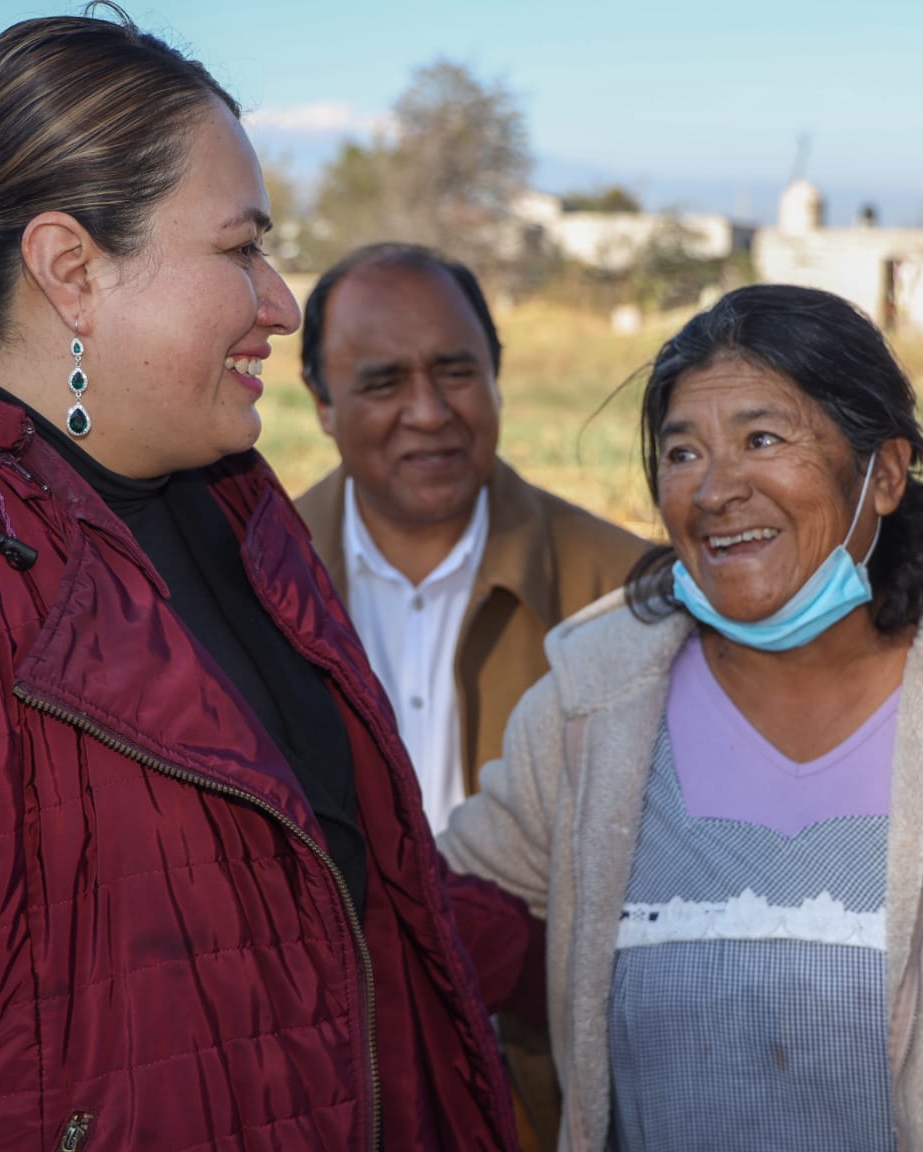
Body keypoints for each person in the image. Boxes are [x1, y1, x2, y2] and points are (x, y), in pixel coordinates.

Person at [0, 14, 528, 1149]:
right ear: (71, 270)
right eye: (240, 249)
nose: (280, 301)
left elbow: (346, 880)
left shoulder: (231, 505)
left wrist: (617, 939)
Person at [440, 285, 923, 1150]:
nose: (715, 489)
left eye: (762, 439)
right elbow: (444, 924)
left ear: (884, 475)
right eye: (682, 452)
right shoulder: (590, 707)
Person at [295, 242, 645, 1151]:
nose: (428, 413)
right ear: (323, 407)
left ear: (497, 379)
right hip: (327, 1081)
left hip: (546, 1089)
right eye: (382, 382)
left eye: (457, 372)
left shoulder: (628, 592)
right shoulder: (254, 587)